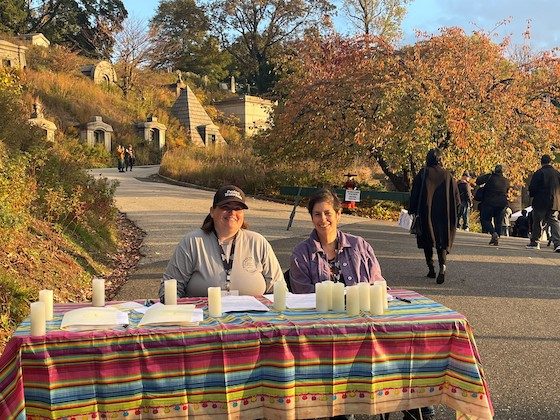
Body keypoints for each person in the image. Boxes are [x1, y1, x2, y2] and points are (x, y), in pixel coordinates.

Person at [160, 185, 284, 299]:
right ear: (212, 211)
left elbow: (279, 288)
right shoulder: (193, 242)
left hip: (251, 319)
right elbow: (169, 288)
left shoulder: (258, 242)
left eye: (238, 208)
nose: (232, 213)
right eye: (226, 207)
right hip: (204, 318)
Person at [289, 188, 384, 293]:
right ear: (312, 218)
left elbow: (378, 285)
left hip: (360, 308)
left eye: (327, 213)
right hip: (318, 309)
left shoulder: (360, 246)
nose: (323, 219)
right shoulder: (301, 254)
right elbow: (302, 293)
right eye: (317, 214)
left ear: (338, 214)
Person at [409, 148, 460, 285]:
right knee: (442, 241)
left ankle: (431, 268)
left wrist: (412, 210)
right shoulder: (447, 175)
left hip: (427, 213)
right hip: (444, 215)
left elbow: (414, 194)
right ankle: (442, 266)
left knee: (427, 240)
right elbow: (457, 198)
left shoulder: (423, 173)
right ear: (440, 159)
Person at [526, 154, 560, 251]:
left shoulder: (539, 173)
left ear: (541, 162)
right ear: (550, 162)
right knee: (554, 221)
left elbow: (533, 187)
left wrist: (531, 194)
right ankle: (558, 243)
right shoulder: (557, 173)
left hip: (540, 201)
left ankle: (535, 242)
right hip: (554, 202)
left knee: (537, 221)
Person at [476, 165, 510, 246]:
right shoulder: (506, 181)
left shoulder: (489, 177)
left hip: (489, 202)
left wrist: (488, 174)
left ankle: (493, 233)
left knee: (485, 219)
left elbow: (478, 181)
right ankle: (496, 237)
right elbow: (507, 191)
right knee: (498, 221)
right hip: (502, 203)